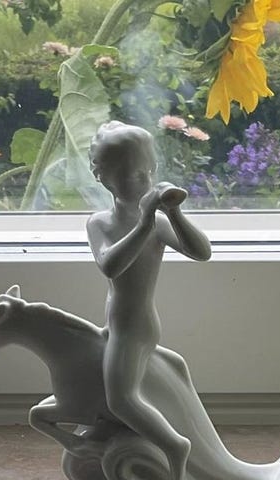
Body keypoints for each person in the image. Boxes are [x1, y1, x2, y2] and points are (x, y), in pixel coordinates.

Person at [87, 121, 211, 480]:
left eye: (149, 172)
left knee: (121, 399)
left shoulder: (156, 225)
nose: (145, 181)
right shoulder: (99, 223)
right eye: (132, 175)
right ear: (102, 177)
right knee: (100, 382)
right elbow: (110, 265)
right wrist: (144, 222)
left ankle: (175, 447)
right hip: (116, 325)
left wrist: (173, 213)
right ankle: (108, 435)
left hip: (136, 328)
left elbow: (201, 251)